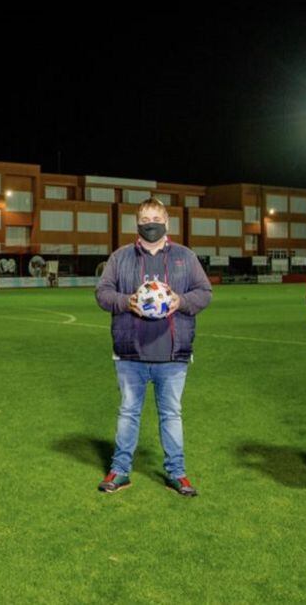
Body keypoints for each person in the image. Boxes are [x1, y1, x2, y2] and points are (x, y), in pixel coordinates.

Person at [94, 197, 212, 497]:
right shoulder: (120, 257)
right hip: (130, 354)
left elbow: (205, 292)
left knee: (171, 415)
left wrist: (180, 301)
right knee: (128, 413)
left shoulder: (185, 257)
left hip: (173, 354)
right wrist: (127, 302)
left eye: (156, 219)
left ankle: (177, 473)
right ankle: (120, 470)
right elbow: (102, 293)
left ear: (167, 222)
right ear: (137, 223)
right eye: (145, 220)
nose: (151, 225)